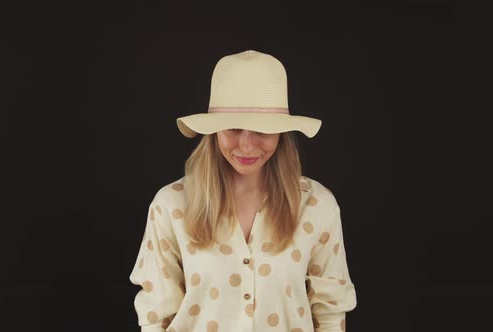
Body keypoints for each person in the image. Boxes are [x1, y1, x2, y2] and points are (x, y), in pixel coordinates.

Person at [129, 50, 357, 332]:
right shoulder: (172, 205)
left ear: (281, 133)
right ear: (215, 130)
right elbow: (156, 316)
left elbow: (331, 314)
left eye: (262, 129)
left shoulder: (317, 206)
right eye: (233, 128)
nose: (247, 145)